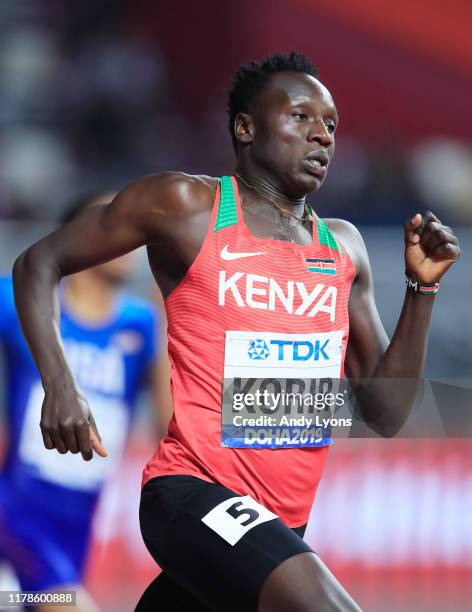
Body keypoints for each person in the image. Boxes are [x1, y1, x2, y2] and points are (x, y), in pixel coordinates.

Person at [12, 52, 460, 612]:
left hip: (280, 524)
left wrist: (422, 291)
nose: (321, 135)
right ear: (246, 128)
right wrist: (61, 383)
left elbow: (386, 412)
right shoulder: (187, 207)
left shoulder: (342, 247)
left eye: (331, 125)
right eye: (301, 117)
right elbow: (38, 263)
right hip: (192, 494)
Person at [0, 192, 171, 612]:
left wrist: (171, 315)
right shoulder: (17, 301)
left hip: (78, 522)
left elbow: (169, 426)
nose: (129, 235)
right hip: (18, 510)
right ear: (76, 236)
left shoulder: (143, 322)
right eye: (111, 218)